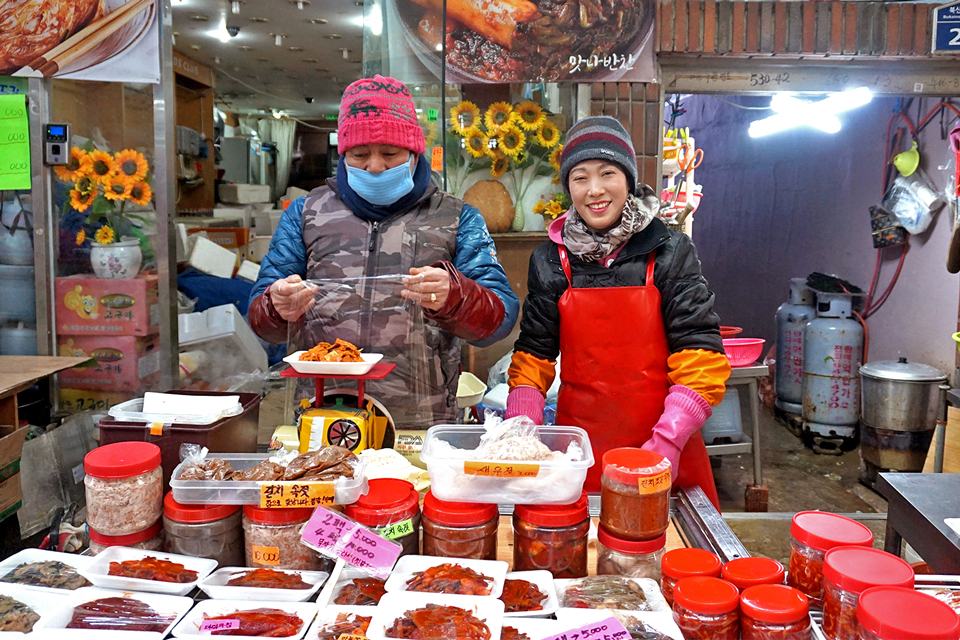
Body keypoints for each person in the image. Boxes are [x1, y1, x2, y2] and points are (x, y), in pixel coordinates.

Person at [249, 75, 519, 427]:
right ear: (343, 153)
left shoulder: (457, 217)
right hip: (323, 415)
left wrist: (456, 297)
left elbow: (500, 321)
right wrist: (276, 306)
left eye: (390, 154)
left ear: (414, 152)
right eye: (360, 154)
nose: (375, 166)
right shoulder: (305, 213)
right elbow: (262, 321)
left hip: (421, 420)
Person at [505, 116, 730, 509]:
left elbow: (701, 355)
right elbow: (534, 354)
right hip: (581, 453)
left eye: (607, 173)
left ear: (628, 180)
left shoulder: (670, 251)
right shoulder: (550, 261)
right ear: (568, 187)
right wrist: (521, 430)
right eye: (580, 177)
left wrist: (667, 442)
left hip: (666, 444)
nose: (594, 189)